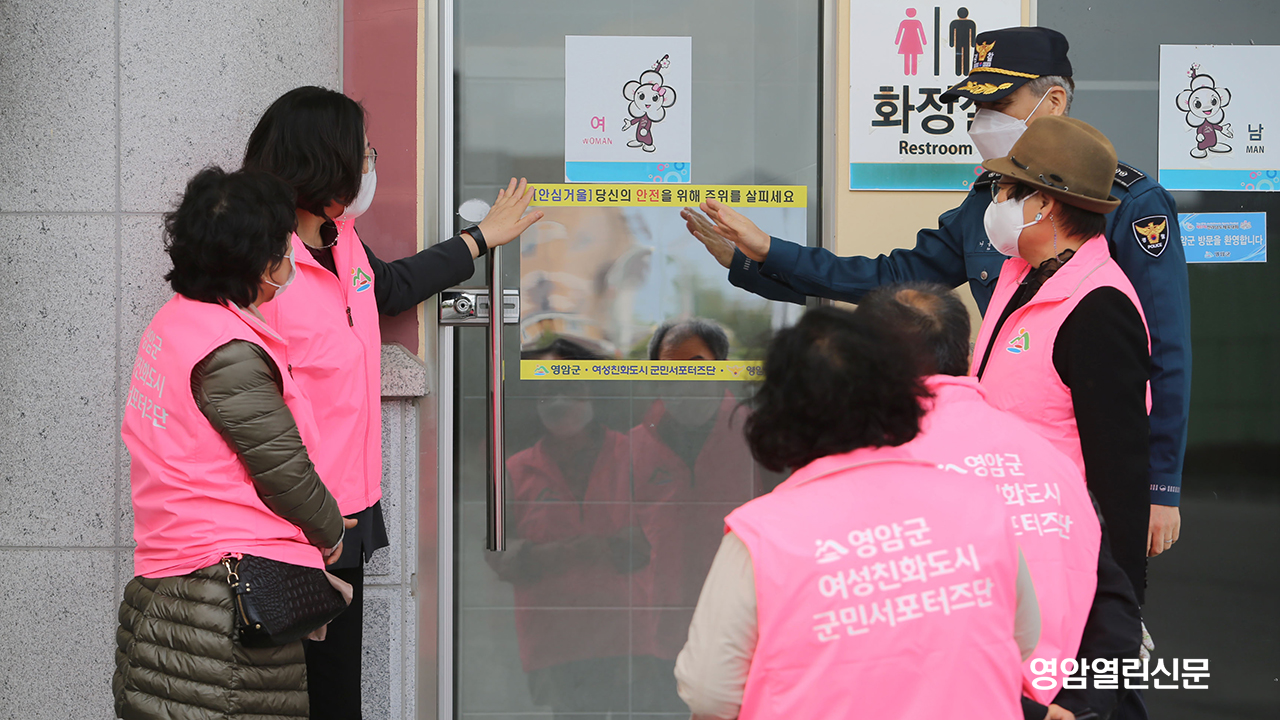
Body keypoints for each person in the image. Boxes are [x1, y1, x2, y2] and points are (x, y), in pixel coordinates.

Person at [683, 26, 1189, 567]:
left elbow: (1163, 349)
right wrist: (762, 254)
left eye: (998, 105)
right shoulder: (990, 203)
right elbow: (889, 279)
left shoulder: (1128, 204)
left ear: (1054, 102)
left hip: (1085, 473)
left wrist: (1159, 485)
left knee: (1091, 595)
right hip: (1003, 473)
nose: (982, 121)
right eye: (977, 107)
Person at [242, 85, 542, 719]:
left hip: (347, 510)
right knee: (288, 698)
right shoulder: (262, 268)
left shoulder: (339, 239)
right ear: (323, 159)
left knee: (335, 697)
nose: (371, 164)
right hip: (290, 520)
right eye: (363, 152)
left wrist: (480, 240)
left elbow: (392, 288)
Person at [675, 308, 1039, 720]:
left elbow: (709, 693)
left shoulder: (761, 536)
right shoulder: (979, 505)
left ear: (778, 411)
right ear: (901, 395)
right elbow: (1022, 640)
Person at [114, 167, 354, 720]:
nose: (289, 264)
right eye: (284, 253)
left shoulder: (176, 324)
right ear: (258, 265)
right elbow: (283, 471)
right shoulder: (229, 353)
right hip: (225, 603)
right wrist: (331, 530)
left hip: (175, 584)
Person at [857, 283, 1145, 720]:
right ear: (968, 353)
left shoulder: (875, 465)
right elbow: (1114, 604)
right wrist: (1079, 706)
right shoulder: (1047, 458)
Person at [631, 318, 763, 712]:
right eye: (668, 369)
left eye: (696, 365)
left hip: (744, 618)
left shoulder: (759, 435)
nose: (682, 378)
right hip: (661, 627)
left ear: (722, 367)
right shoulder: (636, 443)